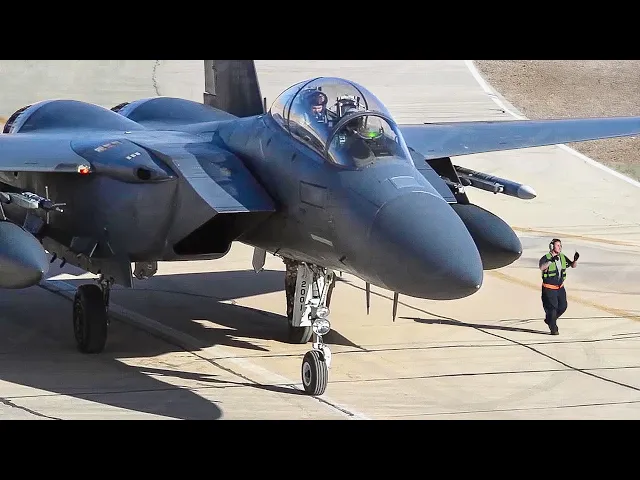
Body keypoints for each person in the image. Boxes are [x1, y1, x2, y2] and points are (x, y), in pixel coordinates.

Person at [538, 238, 579, 335]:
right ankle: (553, 329)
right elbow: (542, 267)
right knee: (553, 309)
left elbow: (572, 265)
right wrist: (551, 261)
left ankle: (549, 320)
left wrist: (575, 260)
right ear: (552, 247)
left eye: (561, 245)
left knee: (563, 306)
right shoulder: (546, 257)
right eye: (558, 245)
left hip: (560, 287)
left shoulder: (562, 257)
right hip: (549, 288)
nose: (560, 247)